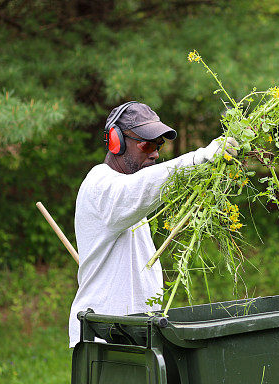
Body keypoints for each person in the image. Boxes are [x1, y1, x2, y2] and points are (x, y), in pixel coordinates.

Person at [67, 101, 238, 348]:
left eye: (158, 145)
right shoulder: (100, 186)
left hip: (133, 335)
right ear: (116, 141)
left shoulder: (128, 195)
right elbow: (143, 188)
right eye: (146, 144)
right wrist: (201, 159)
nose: (156, 153)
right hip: (102, 341)